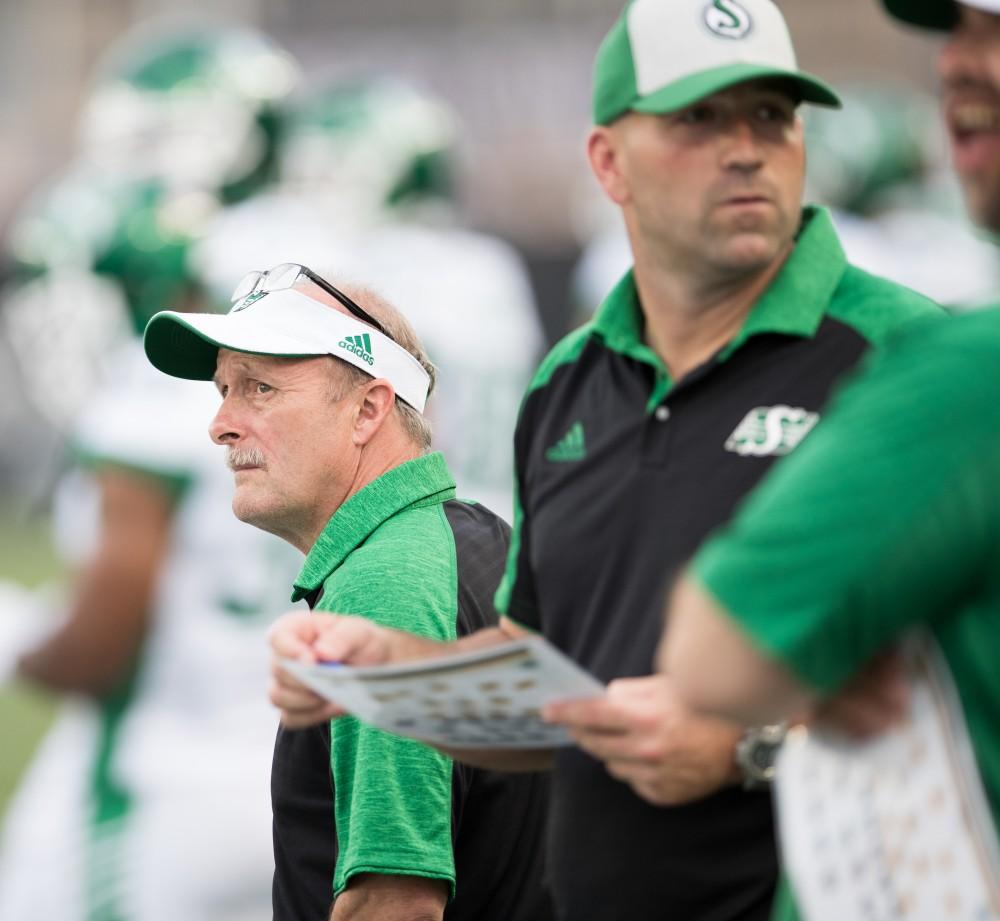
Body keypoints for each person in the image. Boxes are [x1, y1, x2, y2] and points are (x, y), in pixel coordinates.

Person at [265, 2, 944, 920]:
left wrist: (753, 744)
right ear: (608, 162)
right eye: (699, 118)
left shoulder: (907, 357)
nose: (744, 147)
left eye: (771, 116)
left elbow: (968, 681)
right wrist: (396, 676)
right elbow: (553, 678)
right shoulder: (570, 383)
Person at [661, 2, 1000, 919]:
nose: (960, 64)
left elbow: (714, 653)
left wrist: (784, 703)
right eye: (957, 32)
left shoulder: (960, 362)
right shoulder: (572, 375)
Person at [142, 263, 552, 921]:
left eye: (260, 387)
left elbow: (396, 904)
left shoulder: (384, 585)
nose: (221, 422)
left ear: (368, 409)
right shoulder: (465, 541)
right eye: (223, 389)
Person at [192, 77, 545, 522]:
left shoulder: (375, 270)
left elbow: (411, 411)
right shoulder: (490, 269)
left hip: (408, 518)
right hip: (498, 523)